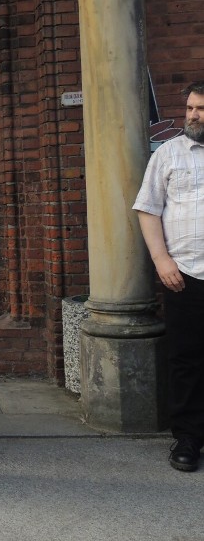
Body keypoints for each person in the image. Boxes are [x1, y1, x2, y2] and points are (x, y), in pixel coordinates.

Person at [133, 81, 204, 473]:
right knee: (185, 359)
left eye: (201, 109)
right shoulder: (171, 154)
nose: (193, 115)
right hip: (186, 275)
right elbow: (148, 208)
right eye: (191, 107)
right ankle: (188, 438)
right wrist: (161, 261)